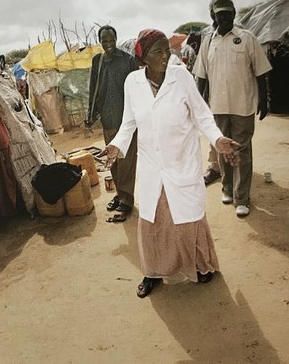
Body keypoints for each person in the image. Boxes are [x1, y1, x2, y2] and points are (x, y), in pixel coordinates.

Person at [104, 29, 241, 298]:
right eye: (158, 51)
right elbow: (129, 122)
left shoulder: (181, 77)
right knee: (153, 222)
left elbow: (202, 115)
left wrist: (217, 138)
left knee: (188, 219)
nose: (167, 55)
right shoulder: (132, 82)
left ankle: (199, 264)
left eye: (167, 49)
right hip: (153, 165)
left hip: (181, 161)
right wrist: (116, 145)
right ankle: (153, 272)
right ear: (143, 58)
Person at [193, 0, 272, 217]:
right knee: (222, 149)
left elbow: (261, 71)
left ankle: (242, 198)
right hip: (217, 107)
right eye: (220, 14)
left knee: (242, 150)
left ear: (234, 14)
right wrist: (198, 105)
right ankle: (227, 188)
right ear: (214, 17)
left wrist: (264, 101)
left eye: (228, 13)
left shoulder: (247, 38)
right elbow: (201, 76)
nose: (224, 17)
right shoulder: (208, 42)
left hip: (243, 105)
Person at [86, 25, 137, 218]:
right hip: (107, 118)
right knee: (113, 159)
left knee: (127, 161)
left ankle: (127, 199)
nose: (108, 45)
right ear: (100, 41)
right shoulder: (97, 61)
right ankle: (119, 193)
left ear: (116, 39)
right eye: (104, 41)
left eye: (111, 40)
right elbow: (93, 88)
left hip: (127, 120)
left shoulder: (128, 60)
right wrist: (90, 113)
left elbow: (137, 89)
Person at [199, 0, 223, 186]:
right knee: (214, 130)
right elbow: (202, 72)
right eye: (214, 11)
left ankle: (234, 169)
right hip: (215, 97)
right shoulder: (208, 37)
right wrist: (199, 100)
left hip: (237, 96)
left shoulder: (240, 34)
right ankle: (215, 167)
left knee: (237, 135)